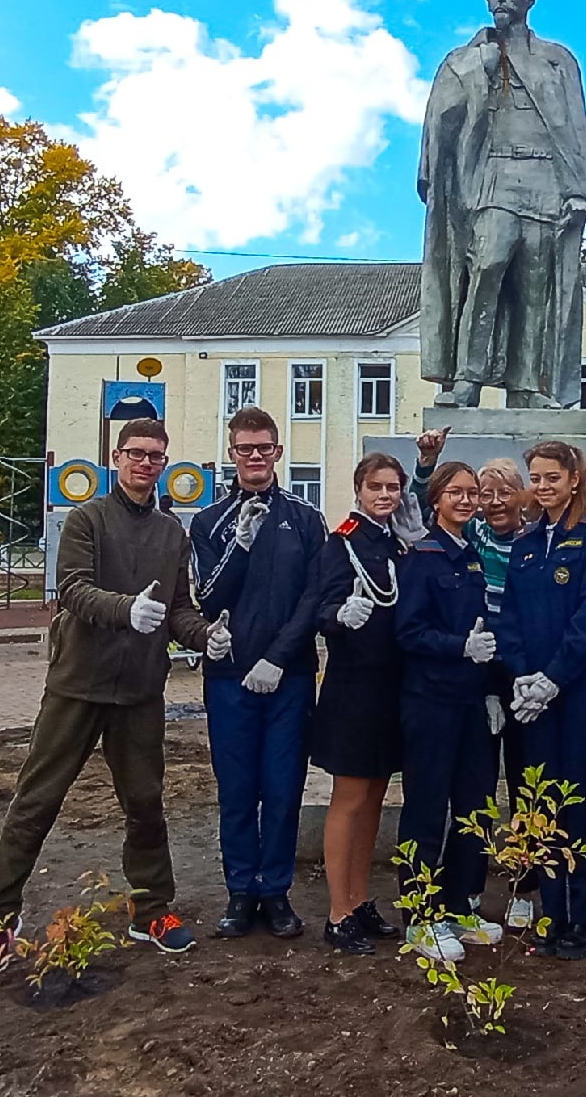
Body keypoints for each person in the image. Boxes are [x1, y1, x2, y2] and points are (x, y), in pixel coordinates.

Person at [0, 418, 233, 977]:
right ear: (117, 457)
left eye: (156, 456)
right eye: (137, 454)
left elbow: (178, 608)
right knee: (37, 800)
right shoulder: (88, 519)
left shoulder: (170, 533)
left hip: (139, 690)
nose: (146, 463)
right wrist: (125, 610)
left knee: (144, 802)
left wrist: (205, 635)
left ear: (164, 463)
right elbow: (73, 589)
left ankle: (151, 907)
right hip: (78, 684)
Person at [417, 0, 586, 409]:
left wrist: (577, 189)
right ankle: (467, 379)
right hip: (490, 178)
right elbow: (439, 120)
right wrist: (481, 72)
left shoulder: (558, 60)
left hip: (545, 181)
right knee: (488, 268)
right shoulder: (466, 59)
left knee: (535, 286)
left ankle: (526, 387)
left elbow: (576, 126)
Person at [190, 407, 327, 940]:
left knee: (284, 786)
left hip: (288, 676)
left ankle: (277, 891)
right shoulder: (209, 522)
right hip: (228, 676)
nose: (254, 456)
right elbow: (209, 597)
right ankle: (241, 890)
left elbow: (314, 597)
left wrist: (280, 656)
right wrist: (240, 546)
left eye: (264, 447)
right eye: (245, 448)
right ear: (231, 453)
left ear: (278, 452)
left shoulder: (304, 516)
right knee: (238, 789)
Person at [491, 440, 586, 959]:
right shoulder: (525, 545)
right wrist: (523, 676)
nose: (542, 487)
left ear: (574, 479)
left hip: (582, 693)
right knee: (539, 800)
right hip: (533, 697)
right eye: (535, 478)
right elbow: (511, 620)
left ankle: (583, 917)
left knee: (581, 802)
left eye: (551, 478)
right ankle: (553, 909)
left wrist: (553, 678)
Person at [410, 427, 540, 928]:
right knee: (468, 792)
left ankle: (521, 887)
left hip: (521, 674)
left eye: (504, 490)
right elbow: (425, 513)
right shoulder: (465, 541)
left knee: (520, 787)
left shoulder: (534, 542)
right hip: (466, 678)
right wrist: (428, 461)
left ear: (523, 495)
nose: (492, 501)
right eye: (484, 493)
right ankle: (449, 899)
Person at [395, 460, 507, 962]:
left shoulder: (472, 556)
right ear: (436, 499)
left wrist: (486, 687)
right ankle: (419, 917)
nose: (466, 500)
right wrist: (458, 647)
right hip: (431, 701)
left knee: (475, 806)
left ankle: (461, 904)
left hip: (469, 701)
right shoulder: (423, 556)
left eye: (472, 493)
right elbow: (409, 632)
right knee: (425, 809)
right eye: (455, 493)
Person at [312, 453, 412, 955]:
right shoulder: (342, 542)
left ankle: (358, 897)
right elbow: (321, 606)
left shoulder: (396, 543)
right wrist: (338, 615)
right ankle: (337, 911)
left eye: (393, 487)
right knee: (349, 799)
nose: (385, 495)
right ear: (358, 489)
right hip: (353, 688)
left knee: (375, 797)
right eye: (376, 486)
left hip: (390, 688)